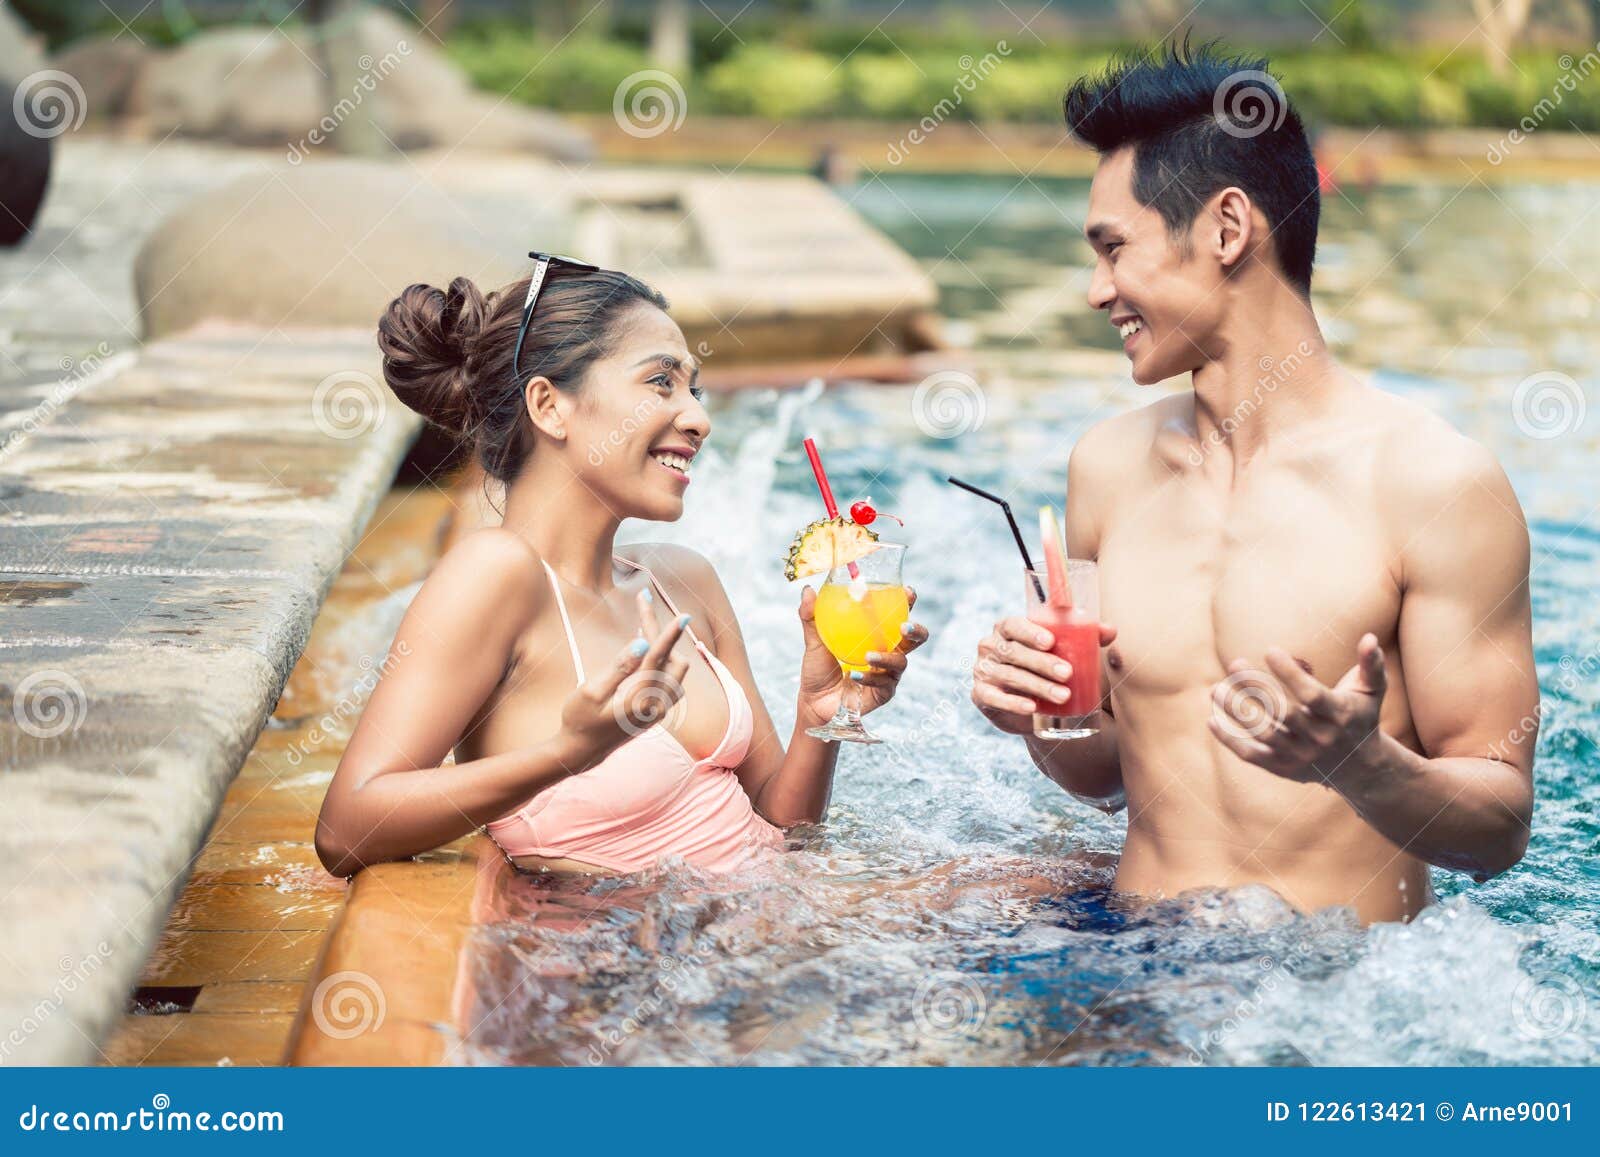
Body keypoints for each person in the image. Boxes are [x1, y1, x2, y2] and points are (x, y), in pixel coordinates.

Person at [970, 43, 1537, 925]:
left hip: (1323, 996)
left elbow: (1499, 831)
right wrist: (1042, 718)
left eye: (1114, 249)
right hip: (1128, 951)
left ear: (1227, 229)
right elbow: (1109, 772)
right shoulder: (1106, 470)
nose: (1095, 291)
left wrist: (1361, 765)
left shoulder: (1434, 482)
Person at [314, 259, 927, 878]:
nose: (698, 418)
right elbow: (346, 831)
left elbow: (783, 827)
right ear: (550, 406)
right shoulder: (494, 573)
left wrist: (818, 717)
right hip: (673, 953)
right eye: (661, 383)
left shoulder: (683, 578)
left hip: (780, 926)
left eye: (695, 389)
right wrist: (568, 753)